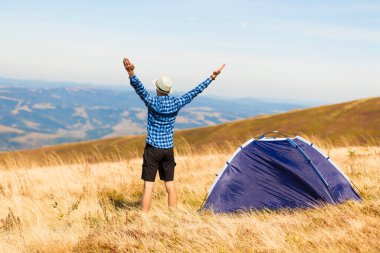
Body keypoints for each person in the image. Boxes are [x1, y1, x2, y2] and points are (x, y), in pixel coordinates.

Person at [123, 57, 225, 212]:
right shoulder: (177, 103)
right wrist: (212, 77)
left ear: (157, 89)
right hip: (168, 150)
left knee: (148, 186)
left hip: (152, 149)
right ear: (168, 91)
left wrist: (131, 73)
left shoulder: (152, 102)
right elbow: (195, 91)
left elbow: (139, 88)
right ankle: (174, 217)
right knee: (170, 185)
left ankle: (143, 220)